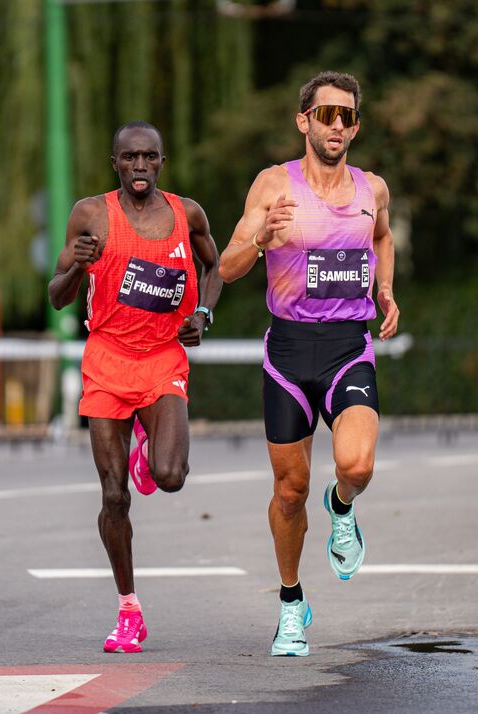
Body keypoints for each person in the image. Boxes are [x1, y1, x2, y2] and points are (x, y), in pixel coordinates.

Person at [219, 71, 398, 657]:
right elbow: (226, 268)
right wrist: (261, 238)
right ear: (304, 121)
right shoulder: (274, 185)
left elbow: (383, 239)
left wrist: (388, 292)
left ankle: (342, 506)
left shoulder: (374, 189)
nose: (338, 125)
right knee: (289, 491)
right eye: (327, 115)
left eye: (348, 116)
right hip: (288, 353)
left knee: (359, 463)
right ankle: (292, 604)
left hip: (349, 346)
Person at [48, 120, 222, 653]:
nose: (140, 167)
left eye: (149, 158)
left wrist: (204, 312)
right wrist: (77, 270)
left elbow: (214, 269)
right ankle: (128, 608)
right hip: (107, 360)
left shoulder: (187, 213)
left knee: (170, 477)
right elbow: (56, 296)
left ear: (161, 163)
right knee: (114, 495)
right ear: (115, 163)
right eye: (130, 159)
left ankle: (150, 450)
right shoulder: (91, 214)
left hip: (162, 357)